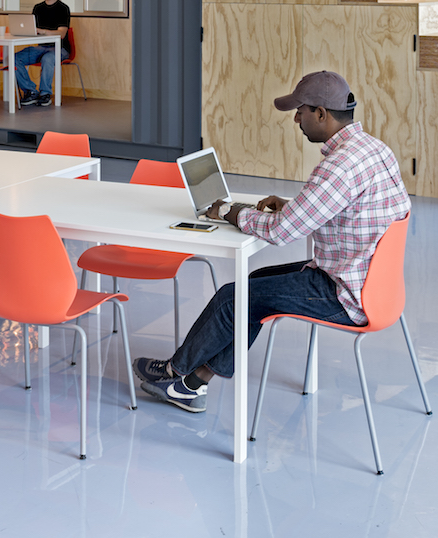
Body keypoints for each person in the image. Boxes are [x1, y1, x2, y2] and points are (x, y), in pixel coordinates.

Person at [133, 71, 410, 413]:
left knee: (232, 297)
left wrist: (230, 213)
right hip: (374, 283)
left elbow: (283, 232)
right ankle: (192, 383)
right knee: (253, 286)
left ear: (321, 113)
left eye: (301, 111)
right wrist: (293, 208)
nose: (296, 119)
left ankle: (175, 371)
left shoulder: (339, 165)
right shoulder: (373, 149)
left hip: (345, 293)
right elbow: (339, 210)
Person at [13, 0, 70, 108]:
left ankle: (45, 94)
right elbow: (32, 30)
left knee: (48, 58)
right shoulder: (38, 8)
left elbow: (61, 34)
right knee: (15, 58)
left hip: (60, 49)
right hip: (41, 47)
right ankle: (31, 91)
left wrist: (44, 31)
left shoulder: (63, 9)